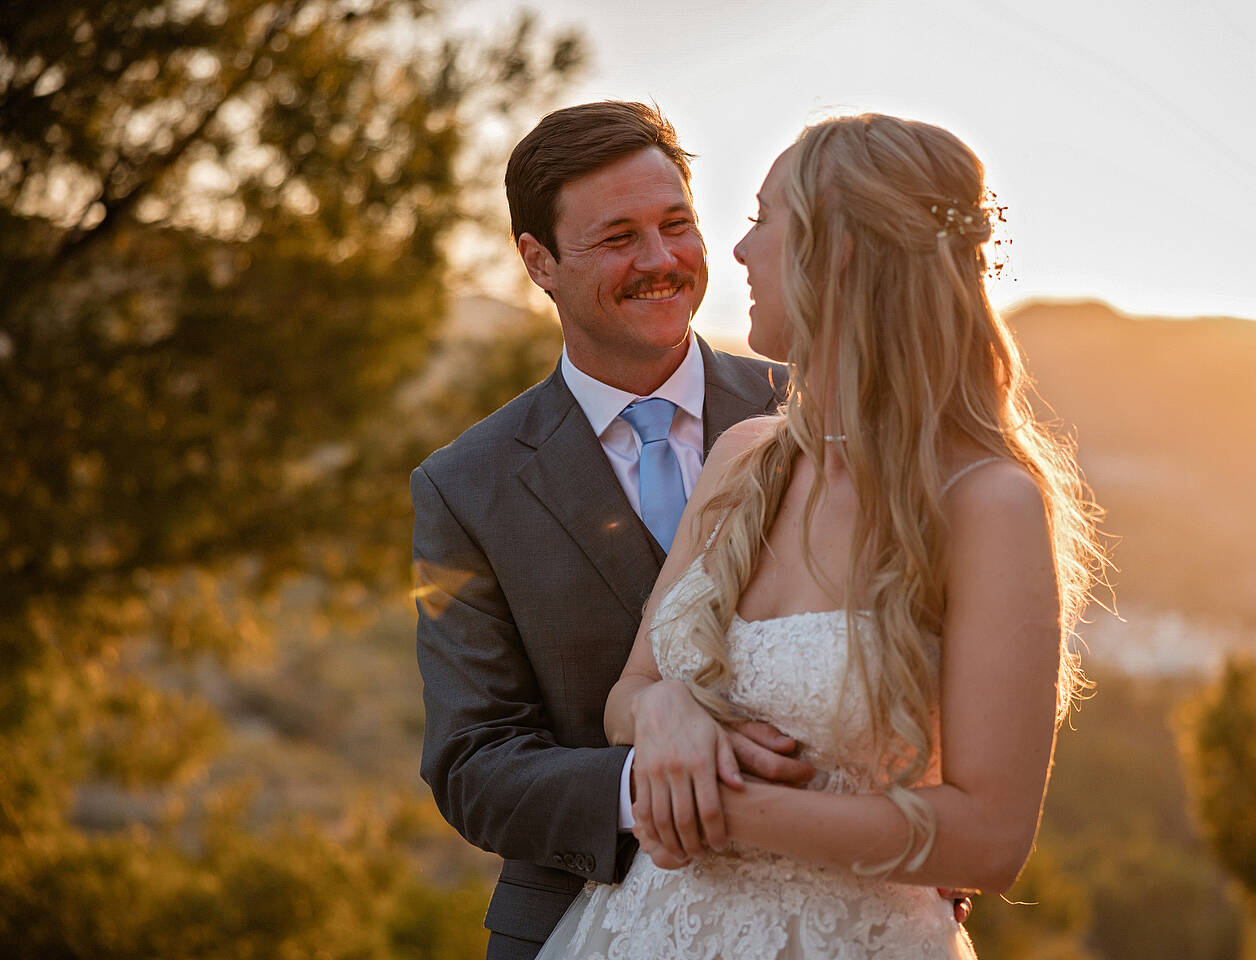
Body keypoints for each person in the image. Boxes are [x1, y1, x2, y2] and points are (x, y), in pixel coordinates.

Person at [534, 113, 1106, 959]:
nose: (738, 253)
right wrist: (664, 715)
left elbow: (990, 840)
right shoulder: (741, 461)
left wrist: (708, 805)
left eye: (764, 220)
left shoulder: (987, 503)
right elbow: (632, 689)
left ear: (836, 251)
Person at [410, 101, 813, 960]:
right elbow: (472, 762)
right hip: (576, 923)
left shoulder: (818, 412)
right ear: (538, 262)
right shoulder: (462, 488)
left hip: (823, 913)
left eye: (676, 225)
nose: (660, 261)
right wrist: (645, 780)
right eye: (619, 238)